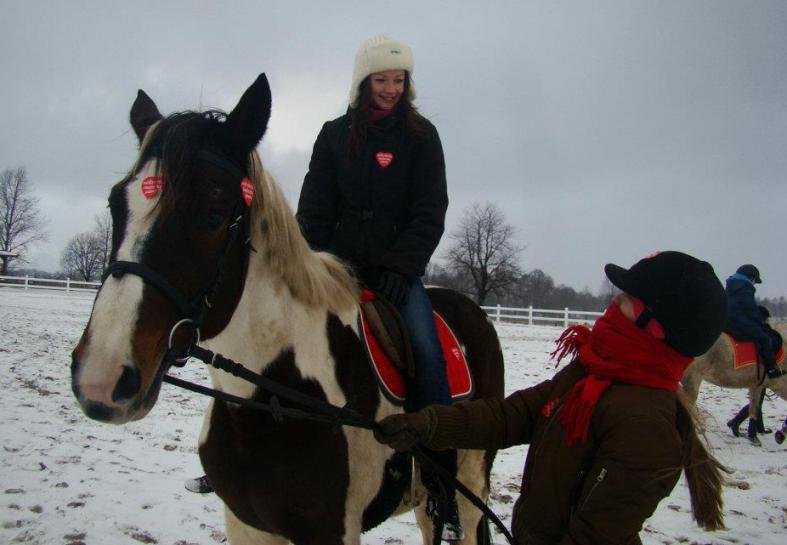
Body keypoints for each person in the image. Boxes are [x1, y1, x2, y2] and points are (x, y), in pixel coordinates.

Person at [374, 251, 730, 545]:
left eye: (628, 298)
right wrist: (429, 424)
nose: (614, 300)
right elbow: (515, 414)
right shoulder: (593, 372)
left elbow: (594, 537)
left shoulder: (645, 427)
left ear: (655, 328)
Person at [295, 35, 462, 540]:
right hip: (336, 269)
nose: (391, 88)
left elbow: (430, 210)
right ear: (363, 82)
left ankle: (440, 485)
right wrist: (316, 262)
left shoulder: (422, 136)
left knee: (429, 359)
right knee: (280, 332)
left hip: (396, 273)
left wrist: (401, 264)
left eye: (399, 79)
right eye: (382, 79)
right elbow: (314, 207)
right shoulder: (333, 135)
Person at [724, 264, 785, 378]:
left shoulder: (731, 285)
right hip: (739, 321)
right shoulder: (745, 287)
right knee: (765, 338)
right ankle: (771, 369)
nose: (754, 283)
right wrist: (760, 318)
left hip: (727, 321)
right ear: (751, 278)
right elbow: (750, 309)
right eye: (754, 281)